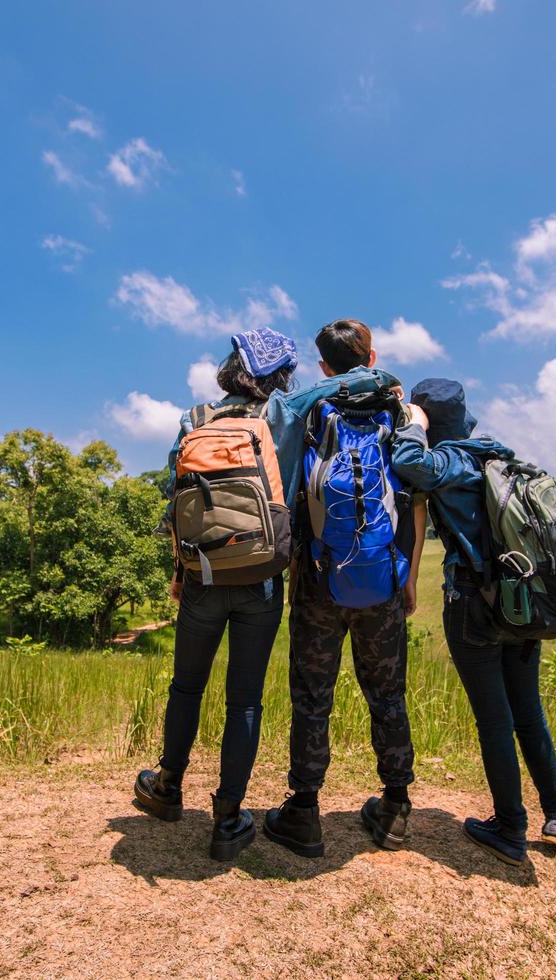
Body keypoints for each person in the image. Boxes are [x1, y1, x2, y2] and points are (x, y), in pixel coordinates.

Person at [390, 378, 556, 866]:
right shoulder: (496, 456)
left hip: (474, 606)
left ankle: (510, 826)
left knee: (495, 719)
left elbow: (410, 463)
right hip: (521, 603)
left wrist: (413, 426)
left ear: (430, 419)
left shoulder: (452, 460)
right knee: (528, 711)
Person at [132, 326, 298, 861]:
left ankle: (168, 786)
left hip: (202, 573)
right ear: (279, 375)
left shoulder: (194, 419)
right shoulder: (284, 417)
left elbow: (178, 497)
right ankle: (228, 818)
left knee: (187, 687)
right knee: (243, 699)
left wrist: (180, 570)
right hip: (261, 577)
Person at [260, 319, 420, 858]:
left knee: (311, 696)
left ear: (323, 367)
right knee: (388, 692)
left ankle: (304, 812)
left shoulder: (308, 411)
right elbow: (413, 498)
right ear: (371, 355)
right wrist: (410, 576)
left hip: (318, 577)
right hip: (383, 579)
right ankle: (395, 807)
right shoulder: (396, 411)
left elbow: (282, 487)